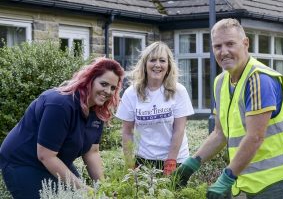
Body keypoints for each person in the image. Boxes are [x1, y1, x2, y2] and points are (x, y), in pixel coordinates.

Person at [174, 18, 283, 199]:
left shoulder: (259, 79)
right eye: (217, 46)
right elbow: (220, 133)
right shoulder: (220, 82)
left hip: (281, 181)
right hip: (251, 182)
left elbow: (255, 137)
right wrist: (193, 162)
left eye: (230, 44)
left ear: (245, 43)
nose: (224, 52)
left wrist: (227, 177)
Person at [0, 57, 124, 199]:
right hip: (23, 162)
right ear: (89, 80)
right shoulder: (60, 105)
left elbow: (92, 152)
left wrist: (104, 188)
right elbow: (46, 156)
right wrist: (86, 190)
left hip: (56, 159)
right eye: (103, 84)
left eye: (113, 88)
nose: (108, 91)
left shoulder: (97, 110)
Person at [116, 41, 194, 176]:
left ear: (168, 65)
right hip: (144, 162)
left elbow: (179, 130)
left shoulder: (178, 91)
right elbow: (127, 132)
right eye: (152, 60)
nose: (157, 65)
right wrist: (130, 164)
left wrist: (170, 162)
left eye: (162, 60)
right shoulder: (131, 93)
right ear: (145, 64)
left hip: (176, 160)